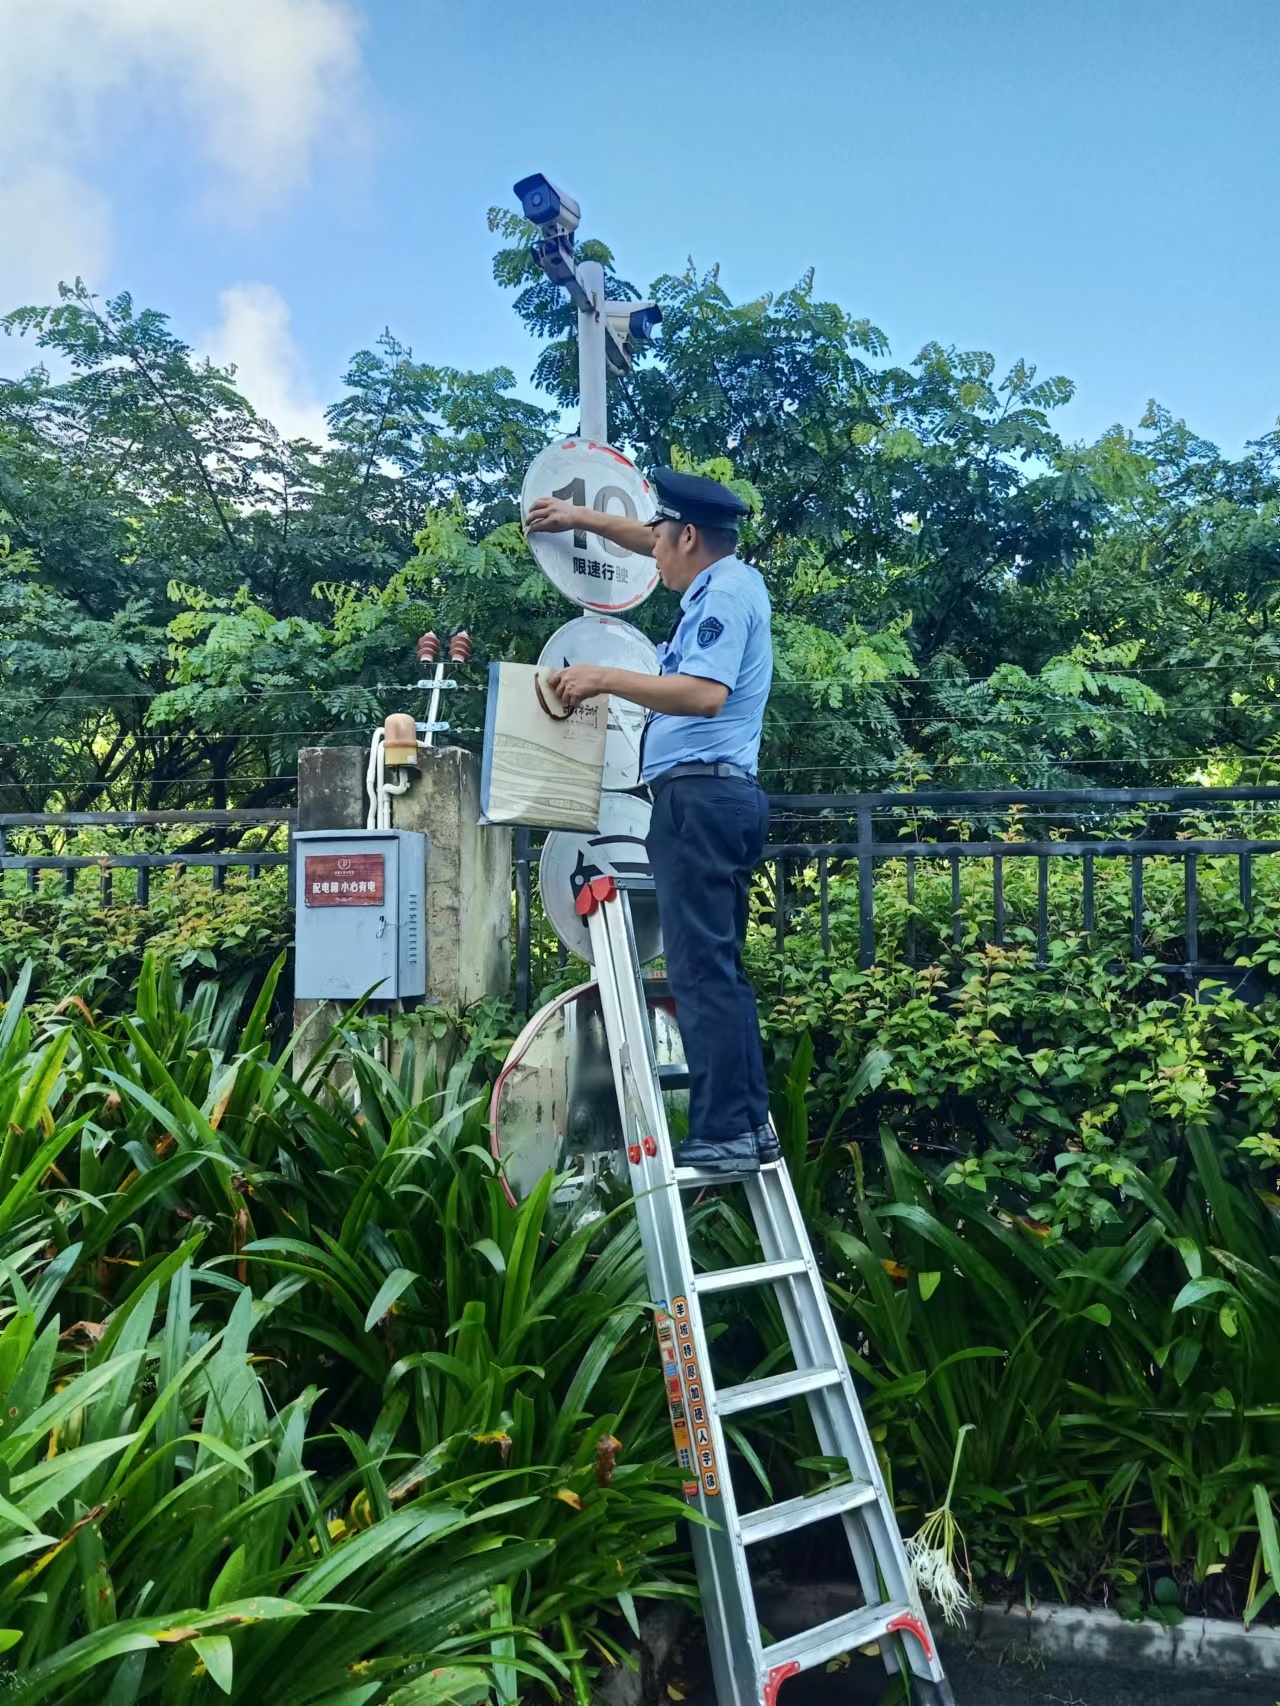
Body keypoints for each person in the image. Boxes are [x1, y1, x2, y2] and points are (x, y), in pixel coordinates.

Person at [525, 467, 776, 1175]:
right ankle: (749, 1124)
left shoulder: (723, 591)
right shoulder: (724, 576)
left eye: (662, 542)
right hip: (719, 798)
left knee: (698, 970)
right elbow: (649, 535)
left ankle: (724, 1131)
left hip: (699, 800)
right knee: (718, 968)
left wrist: (600, 676)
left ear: (690, 536)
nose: (653, 556)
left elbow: (700, 692)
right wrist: (585, 519)